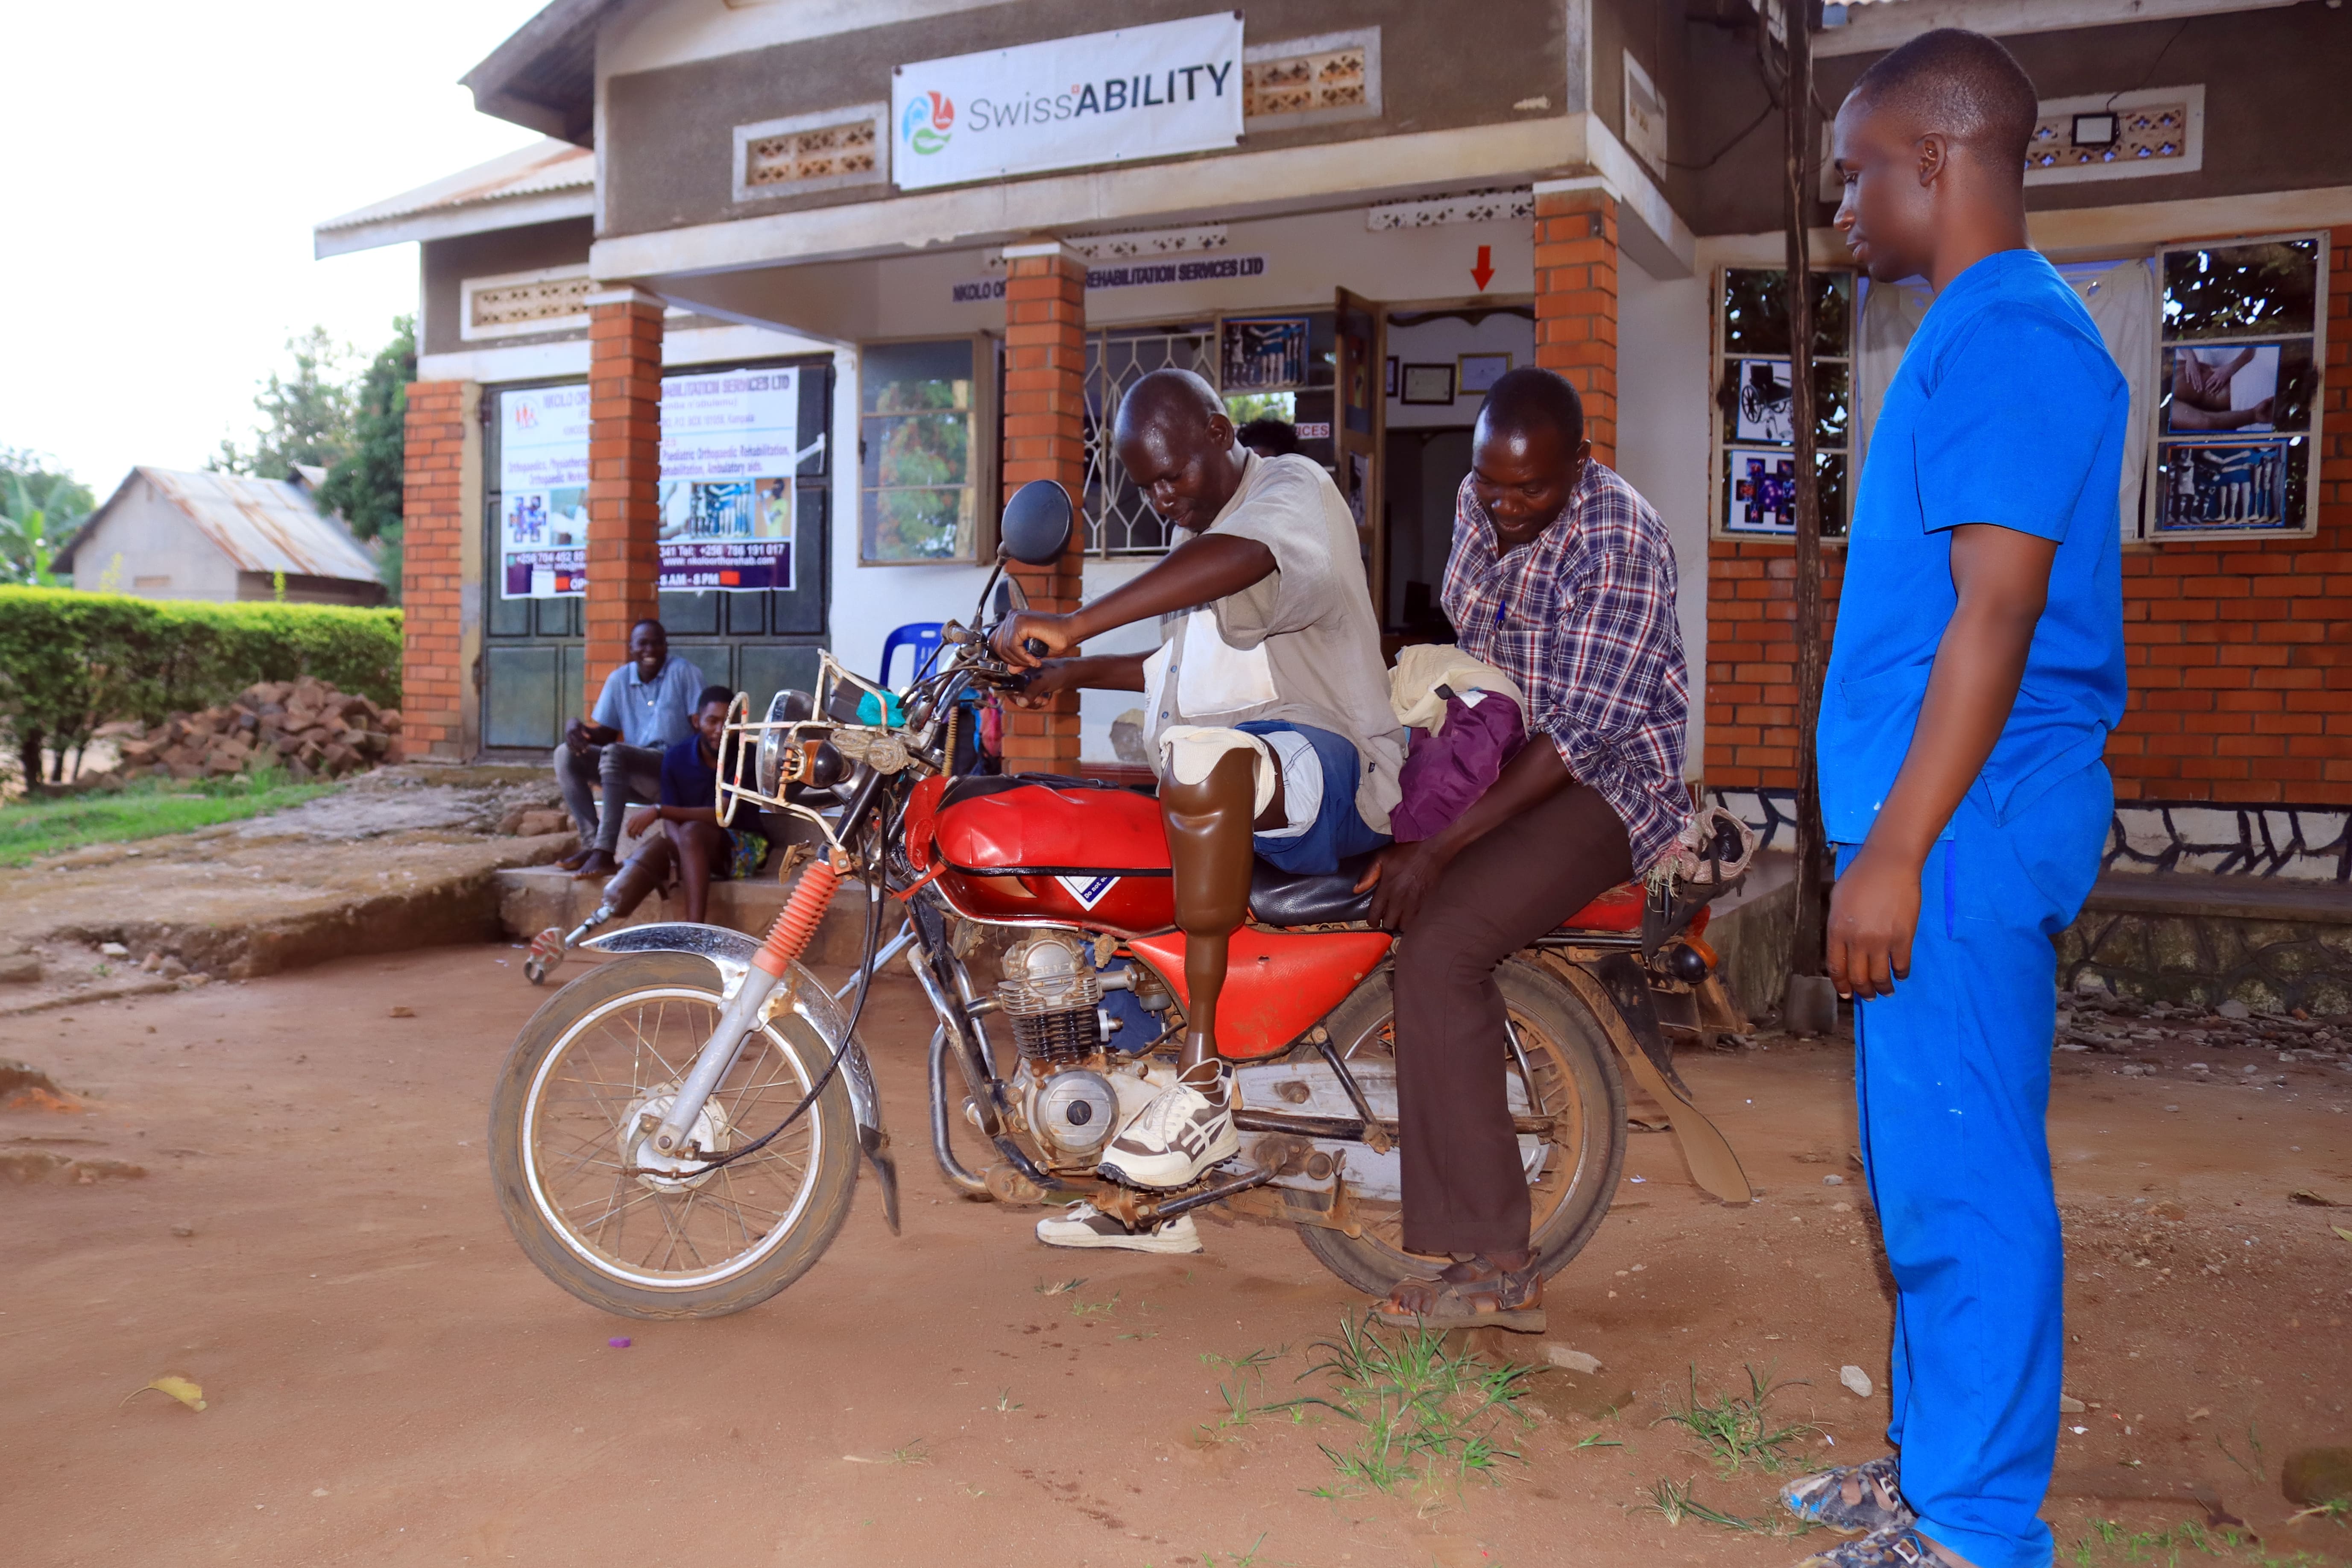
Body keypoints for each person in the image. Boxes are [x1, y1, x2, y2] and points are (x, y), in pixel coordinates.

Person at [1776, 31, 2128, 1568]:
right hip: (1940, 820)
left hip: (1962, 826)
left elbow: (1992, 615)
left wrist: (1898, 846)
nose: (1841, 200)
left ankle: (1976, 1525)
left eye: (1856, 169)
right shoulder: (1969, 335)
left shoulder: (2006, 340)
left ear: (1936, 158)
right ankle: (1932, 1465)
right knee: (1919, 1152)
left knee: (1962, 1167)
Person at [992, 367, 1402, 1253]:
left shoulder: (1289, 492)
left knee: (1202, 756)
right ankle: (1136, 1191)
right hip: (1250, 783)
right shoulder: (1205, 539)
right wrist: (1065, 669)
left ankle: (1203, 1083)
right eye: (1143, 485)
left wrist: (1075, 621)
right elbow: (1171, 667)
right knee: (1109, 874)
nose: (1161, 495)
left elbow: (1246, 561)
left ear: (1221, 433)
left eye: (1172, 472)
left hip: (1333, 772)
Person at [1358, 366, 1688, 1334]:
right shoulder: (1478, 497)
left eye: (1529, 491)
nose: (1502, 509)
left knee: (1442, 947)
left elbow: (1577, 736)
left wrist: (1439, 848)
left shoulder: (1620, 537)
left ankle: (1500, 1262)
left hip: (1602, 784)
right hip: (1503, 755)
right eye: (1490, 486)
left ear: (1578, 467)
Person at [554, 619, 705, 879]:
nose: (651, 650)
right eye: (643, 644)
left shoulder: (684, 673)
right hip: (634, 770)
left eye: (657, 643)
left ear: (666, 646)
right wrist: (576, 729)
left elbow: (702, 730)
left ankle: (605, 852)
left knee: (616, 752)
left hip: (673, 770)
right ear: (631, 649)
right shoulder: (619, 680)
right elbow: (606, 735)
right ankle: (592, 846)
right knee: (564, 754)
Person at [624, 685, 745, 926]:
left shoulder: (745, 755)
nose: (720, 730)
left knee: (691, 831)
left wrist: (659, 811)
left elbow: (722, 815)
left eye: (728, 722)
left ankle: (694, 930)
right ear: (697, 721)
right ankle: (607, 917)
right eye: (712, 721)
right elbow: (671, 822)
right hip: (697, 845)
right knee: (653, 854)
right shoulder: (676, 757)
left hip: (742, 847)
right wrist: (681, 850)